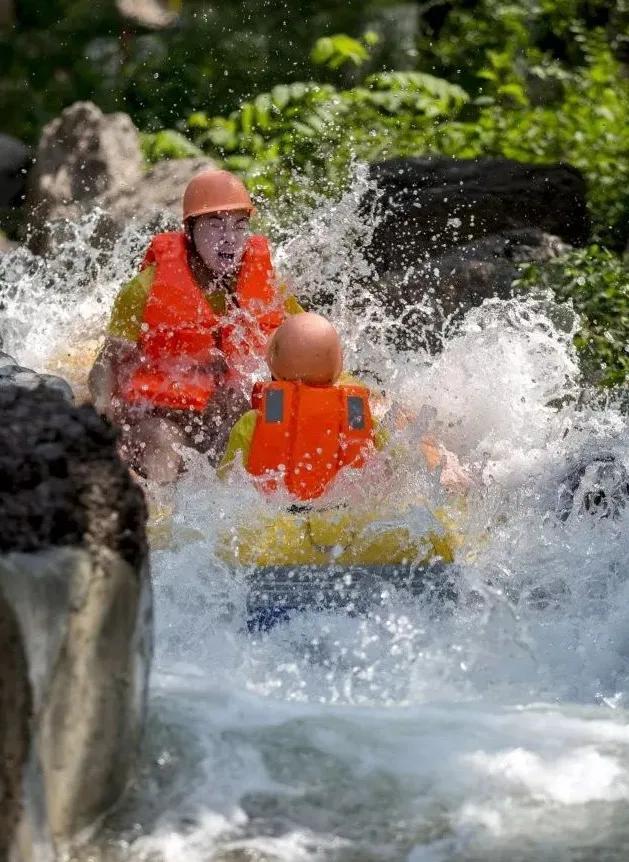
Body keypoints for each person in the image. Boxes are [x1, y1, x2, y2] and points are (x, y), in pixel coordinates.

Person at [89, 169, 302, 482]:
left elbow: (311, 345)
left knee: (251, 417)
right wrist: (100, 415)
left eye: (239, 225)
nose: (229, 237)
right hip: (160, 419)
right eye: (215, 225)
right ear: (189, 231)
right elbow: (107, 363)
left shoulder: (269, 287)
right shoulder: (144, 289)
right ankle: (158, 507)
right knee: (162, 440)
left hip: (224, 418)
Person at [218, 312, 465, 567]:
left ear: (272, 366)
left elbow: (227, 486)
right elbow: (396, 471)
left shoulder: (252, 423)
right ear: (338, 370)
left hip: (281, 540)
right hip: (354, 537)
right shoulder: (361, 419)